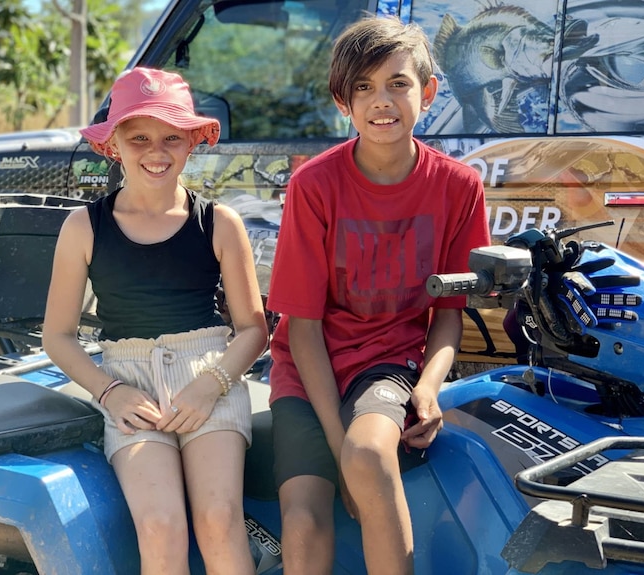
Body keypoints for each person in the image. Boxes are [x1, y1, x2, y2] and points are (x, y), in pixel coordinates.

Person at [266, 16, 491, 575]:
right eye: (363, 88)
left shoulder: (459, 186)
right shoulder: (314, 185)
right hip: (308, 367)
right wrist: (337, 444)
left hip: (388, 363)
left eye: (397, 83)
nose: (381, 101)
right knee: (302, 519)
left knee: (369, 452)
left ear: (429, 91)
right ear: (343, 101)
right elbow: (303, 328)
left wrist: (431, 388)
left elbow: (447, 314)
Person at [42, 67, 268, 575]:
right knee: (161, 524)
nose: (156, 150)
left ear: (192, 141)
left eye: (171, 137)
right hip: (128, 381)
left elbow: (254, 328)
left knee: (219, 516)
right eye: (138, 136)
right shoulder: (84, 227)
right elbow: (57, 336)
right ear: (114, 144)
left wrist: (212, 384)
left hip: (209, 373)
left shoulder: (219, 222)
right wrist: (108, 392)